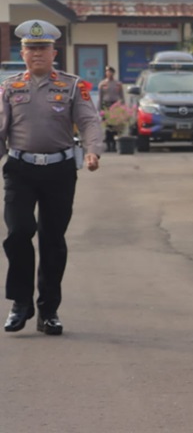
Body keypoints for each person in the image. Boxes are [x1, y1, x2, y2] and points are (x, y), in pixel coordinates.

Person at [1, 20, 103, 336]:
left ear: (53, 52)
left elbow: (89, 121)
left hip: (59, 171)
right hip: (20, 169)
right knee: (18, 232)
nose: (37, 53)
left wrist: (93, 151)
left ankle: (48, 311)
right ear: (22, 53)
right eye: (31, 48)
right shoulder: (9, 87)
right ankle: (21, 303)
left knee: (52, 240)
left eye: (42, 48)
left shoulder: (72, 86)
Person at [98, 65, 125, 152]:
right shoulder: (102, 84)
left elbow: (122, 96)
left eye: (110, 71)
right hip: (106, 105)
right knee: (107, 125)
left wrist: (123, 108)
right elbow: (100, 97)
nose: (108, 73)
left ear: (113, 73)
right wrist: (99, 108)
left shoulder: (118, 84)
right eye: (107, 71)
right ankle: (108, 144)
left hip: (115, 105)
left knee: (115, 125)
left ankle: (114, 144)